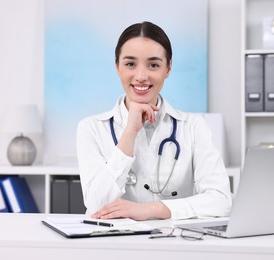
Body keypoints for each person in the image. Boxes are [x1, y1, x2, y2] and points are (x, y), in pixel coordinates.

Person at [77, 21, 232, 221]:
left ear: (168, 68)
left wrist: (151, 210)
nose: (141, 76)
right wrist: (129, 133)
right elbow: (96, 207)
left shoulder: (194, 127)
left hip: (175, 245)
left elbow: (221, 200)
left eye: (153, 65)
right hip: (115, 247)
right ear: (117, 67)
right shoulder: (91, 128)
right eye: (130, 64)